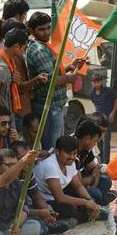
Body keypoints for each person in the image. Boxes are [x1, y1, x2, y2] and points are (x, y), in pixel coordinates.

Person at [26, 12, 84, 149]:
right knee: (52, 148)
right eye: (41, 29)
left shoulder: (44, 46)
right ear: (32, 31)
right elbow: (50, 79)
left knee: (56, 145)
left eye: (48, 28)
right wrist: (71, 77)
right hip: (49, 106)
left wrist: (70, 67)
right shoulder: (39, 49)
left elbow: (52, 72)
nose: (46, 32)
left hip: (55, 104)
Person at [32, 135, 101, 224]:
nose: (72, 157)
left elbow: (78, 186)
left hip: (60, 194)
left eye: (74, 153)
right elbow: (60, 198)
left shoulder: (70, 163)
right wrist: (85, 203)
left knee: (93, 196)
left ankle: (89, 212)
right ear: (57, 151)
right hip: (45, 200)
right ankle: (84, 216)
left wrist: (90, 200)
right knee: (70, 209)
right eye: (68, 153)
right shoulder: (50, 166)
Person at [73, 118, 115, 205]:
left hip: (83, 182)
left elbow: (96, 168)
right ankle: (98, 201)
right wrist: (93, 177)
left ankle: (97, 201)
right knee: (96, 194)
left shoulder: (86, 148)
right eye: (95, 141)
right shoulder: (72, 151)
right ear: (87, 138)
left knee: (106, 181)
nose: (95, 144)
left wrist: (93, 184)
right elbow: (79, 183)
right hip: (71, 187)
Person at [90, 73, 117, 164]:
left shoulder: (108, 91)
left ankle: (106, 163)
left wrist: (113, 113)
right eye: (94, 82)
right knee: (98, 140)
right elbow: (95, 104)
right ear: (92, 83)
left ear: (101, 82)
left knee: (106, 141)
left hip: (107, 119)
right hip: (98, 120)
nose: (96, 84)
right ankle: (100, 161)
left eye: (98, 81)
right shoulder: (92, 93)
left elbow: (116, 100)